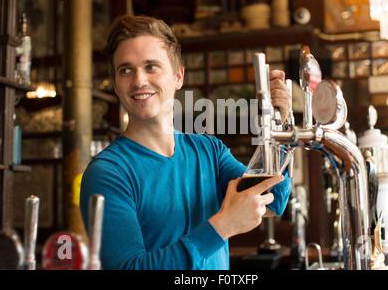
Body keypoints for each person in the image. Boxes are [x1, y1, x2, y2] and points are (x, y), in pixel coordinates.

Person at [80, 15, 292, 270]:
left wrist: (281, 123)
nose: (139, 81)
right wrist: (222, 226)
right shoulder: (107, 173)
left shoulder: (209, 151)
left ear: (178, 76)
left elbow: (273, 198)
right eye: (126, 70)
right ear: (115, 83)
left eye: (151, 67)